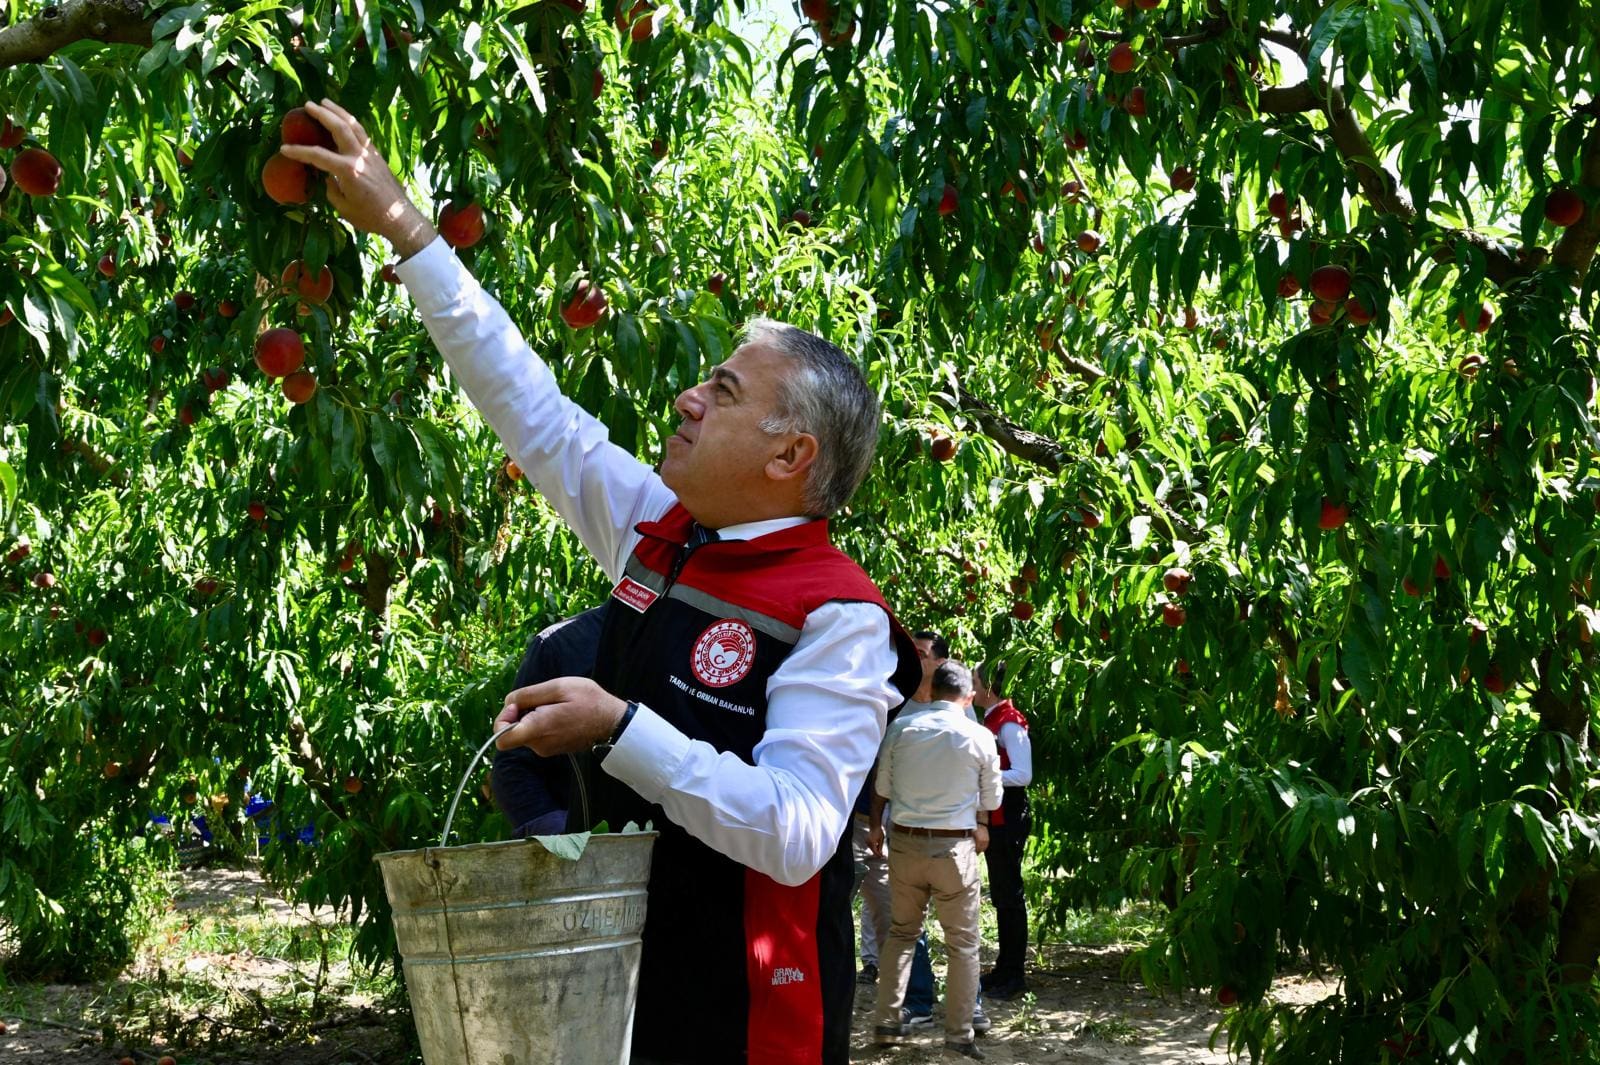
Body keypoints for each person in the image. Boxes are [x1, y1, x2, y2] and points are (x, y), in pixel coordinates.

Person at [280, 101, 922, 1065]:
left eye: (723, 390)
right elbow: (535, 412)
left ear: (790, 454)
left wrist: (618, 728)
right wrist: (406, 230)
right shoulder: (663, 534)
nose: (687, 398)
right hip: (628, 976)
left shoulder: (834, 613)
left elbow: (796, 830)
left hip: (749, 1018)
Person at [869, 661, 1001, 1060]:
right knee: (962, 944)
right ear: (969, 697)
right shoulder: (979, 736)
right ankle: (959, 1034)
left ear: (931, 691)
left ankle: (887, 1021)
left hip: (906, 843)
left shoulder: (901, 728)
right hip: (953, 849)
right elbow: (993, 799)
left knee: (902, 933)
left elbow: (882, 786)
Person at [490, 606, 606, 838]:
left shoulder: (681, 645)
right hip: (584, 840)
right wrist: (561, 836)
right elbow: (513, 762)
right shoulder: (562, 644)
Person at [973, 659, 1033, 1000]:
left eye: (975, 681)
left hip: (1007, 816)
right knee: (1002, 894)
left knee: (1009, 895)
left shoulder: (1009, 722)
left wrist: (984, 777)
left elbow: (1023, 774)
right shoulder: (992, 718)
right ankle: (1004, 968)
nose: (970, 687)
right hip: (997, 816)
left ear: (989, 686)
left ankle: (1014, 975)